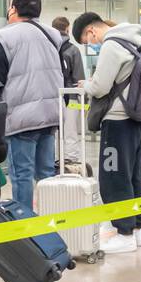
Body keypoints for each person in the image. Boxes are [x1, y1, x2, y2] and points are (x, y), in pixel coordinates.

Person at [73, 12, 141, 253]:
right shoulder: (131, 39)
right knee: (133, 174)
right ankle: (137, 229)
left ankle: (124, 232)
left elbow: (101, 87)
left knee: (113, 176)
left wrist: (86, 85)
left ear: (91, 31)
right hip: (134, 117)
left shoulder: (112, 45)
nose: (91, 45)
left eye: (88, 41)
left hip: (116, 119)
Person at [0, 0, 63, 211]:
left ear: (14, 9)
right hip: (50, 114)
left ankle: (24, 226)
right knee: (46, 173)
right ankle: (52, 220)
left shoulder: (4, 36)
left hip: (21, 118)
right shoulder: (53, 34)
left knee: (22, 174)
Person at [52, 15, 86, 169]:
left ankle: (51, 161)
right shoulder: (73, 50)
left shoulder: (48, 48)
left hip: (51, 98)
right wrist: (84, 105)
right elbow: (79, 78)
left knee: (51, 132)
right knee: (71, 131)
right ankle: (71, 162)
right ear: (67, 29)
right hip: (72, 98)